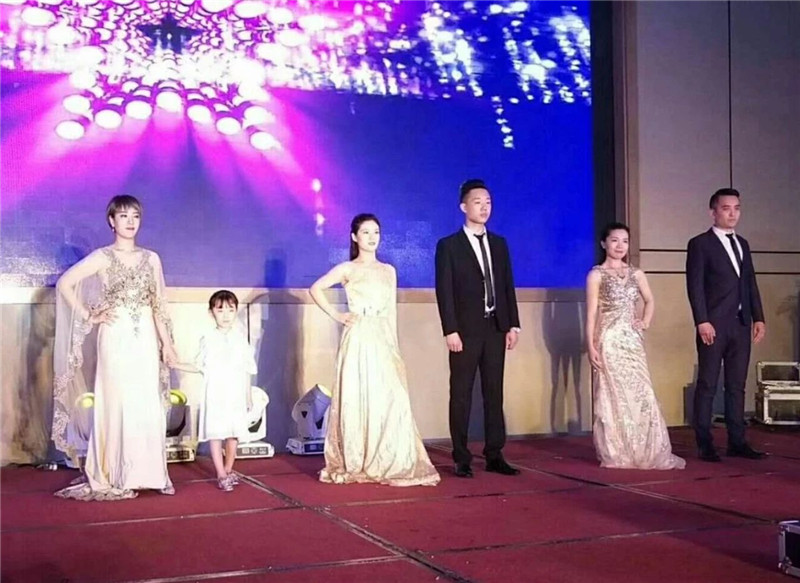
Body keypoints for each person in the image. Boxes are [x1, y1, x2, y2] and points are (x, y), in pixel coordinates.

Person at [52, 195, 176, 500]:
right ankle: (117, 473)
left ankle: (152, 474)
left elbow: (158, 306)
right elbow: (65, 283)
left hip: (144, 337)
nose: (130, 222)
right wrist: (88, 315)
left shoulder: (152, 258)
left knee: (145, 401)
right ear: (112, 221)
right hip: (115, 337)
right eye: (123, 216)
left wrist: (167, 344)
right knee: (117, 401)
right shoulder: (102, 257)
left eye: (135, 216)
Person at [308, 213, 440, 487]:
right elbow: (316, 288)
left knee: (389, 396)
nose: (372, 237)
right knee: (357, 395)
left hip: (382, 337)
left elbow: (391, 311)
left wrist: (395, 347)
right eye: (366, 232)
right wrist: (337, 315)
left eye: (376, 232)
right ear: (354, 237)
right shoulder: (348, 268)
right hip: (358, 336)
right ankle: (357, 457)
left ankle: (388, 457)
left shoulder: (388, 270)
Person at [434, 179, 521, 478]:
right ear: (463, 206)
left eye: (488, 202)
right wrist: (450, 329)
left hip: (495, 327)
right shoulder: (449, 246)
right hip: (465, 331)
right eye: (477, 202)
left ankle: (494, 453)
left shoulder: (499, 244)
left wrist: (513, 324)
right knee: (461, 393)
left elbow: (507, 285)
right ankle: (461, 457)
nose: (484, 207)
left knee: (494, 392)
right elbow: (444, 291)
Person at [586, 223, 685, 470]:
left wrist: (645, 322)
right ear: (604, 243)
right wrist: (591, 346)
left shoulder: (636, 273)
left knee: (641, 392)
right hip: (609, 340)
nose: (620, 246)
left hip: (632, 341)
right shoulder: (596, 275)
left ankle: (646, 449)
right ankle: (618, 451)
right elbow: (591, 314)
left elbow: (650, 300)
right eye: (614, 240)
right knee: (613, 394)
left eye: (625, 241)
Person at [686, 188, 766, 462]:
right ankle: (704, 443)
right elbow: (695, 286)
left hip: (741, 324)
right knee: (708, 383)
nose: (732, 214)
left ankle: (737, 441)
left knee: (736, 385)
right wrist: (702, 320)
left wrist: (759, 317)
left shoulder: (743, 243)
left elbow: (750, 282)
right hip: (713, 324)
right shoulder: (700, 244)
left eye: (736, 208)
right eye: (726, 208)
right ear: (713, 212)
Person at [173, 290, 256, 492]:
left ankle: (228, 469)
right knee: (216, 433)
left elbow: (247, 368)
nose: (226, 315)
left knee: (234, 433)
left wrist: (247, 395)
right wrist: (176, 364)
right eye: (220, 310)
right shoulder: (208, 338)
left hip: (235, 392)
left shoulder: (240, 338)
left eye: (230, 310)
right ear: (211, 313)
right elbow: (199, 365)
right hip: (215, 392)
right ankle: (220, 474)